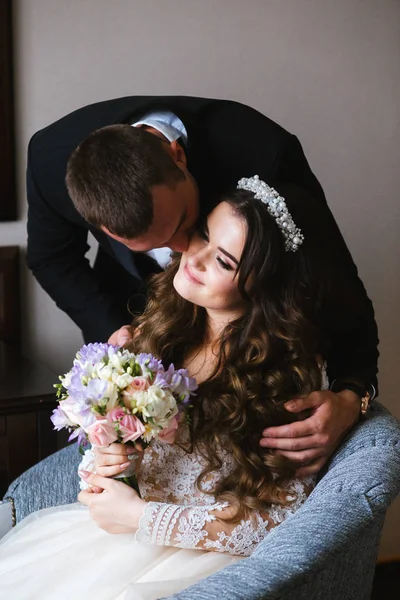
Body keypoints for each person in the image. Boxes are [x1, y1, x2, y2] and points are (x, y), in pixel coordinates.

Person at [4, 96, 378, 518]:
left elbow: (341, 290)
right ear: (103, 229)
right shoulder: (53, 160)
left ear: (179, 158)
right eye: (156, 246)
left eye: (189, 227)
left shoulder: (262, 153)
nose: (184, 254)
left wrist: (353, 395)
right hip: (145, 318)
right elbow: (52, 258)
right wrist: (118, 345)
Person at [0, 180, 332, 599]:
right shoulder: (157, 332)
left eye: (224, 262)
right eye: (204, 236)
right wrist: (104, 465)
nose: (196, 259)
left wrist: (143, 517)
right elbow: (121, 456)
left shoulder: (286, 376)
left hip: (201, 559)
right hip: (111, 541)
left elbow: (282, 522)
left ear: (261, 286)